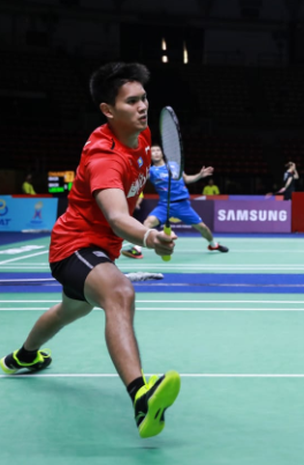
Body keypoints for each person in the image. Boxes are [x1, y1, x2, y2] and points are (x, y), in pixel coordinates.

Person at [0, 62, 180, 438]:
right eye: (132, 101)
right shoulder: (103, 158)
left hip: (99, 252)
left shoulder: (143, 136)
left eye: (144, 98)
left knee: (69, 310)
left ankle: (23, 356)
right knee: (119, 293)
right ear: (107, 110)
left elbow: (130, 198)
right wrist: (147, 238)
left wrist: (144, 228)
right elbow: (116, 216)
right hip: (73, 247)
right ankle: (141, 398)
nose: (143, 107)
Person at [121, 144, 228, 259]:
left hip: (183, 205)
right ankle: (137, 250)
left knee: (203, 228)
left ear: (162, 153)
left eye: (158, 150)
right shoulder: (151, 171)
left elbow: (186, 179)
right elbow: (138, 179)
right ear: (150, 155)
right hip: (164, 205)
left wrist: (200, 175)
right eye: (153, 151)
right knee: (148, 222)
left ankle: (213, 245)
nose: (156, 152)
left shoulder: (174, 165)